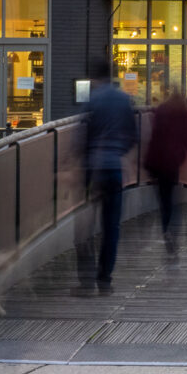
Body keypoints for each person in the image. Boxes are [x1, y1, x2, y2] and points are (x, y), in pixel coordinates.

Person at [73, 58, 137, 297]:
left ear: (94, 79)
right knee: (112, 226)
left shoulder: (93, 100)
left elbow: (82, 137)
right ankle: (105, 280)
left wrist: (77, 168)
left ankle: (86, 282)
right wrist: (120, 152)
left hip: (94, 169)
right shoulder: (123, 100)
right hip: (115, 170)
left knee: (84, 226)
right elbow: (133, 135)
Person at [144, 88, 187, 263]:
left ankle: (166, 231)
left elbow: (155, 135)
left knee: (164, 201)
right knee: (173, 200)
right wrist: (181, 155)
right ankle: (173, 232)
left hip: (158, 162)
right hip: (172, 163)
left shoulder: (162, 110)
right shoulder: (183, 114)